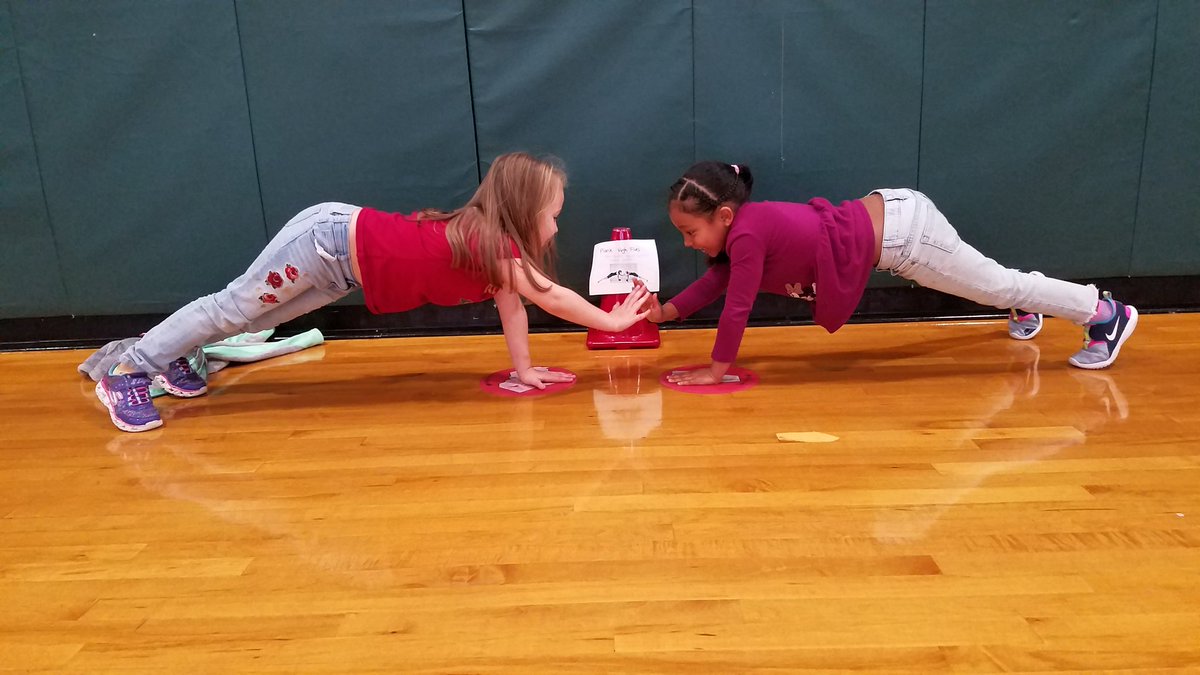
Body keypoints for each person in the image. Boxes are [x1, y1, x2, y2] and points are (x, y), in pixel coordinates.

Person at [96, 152, 651, 432]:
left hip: (339, 268)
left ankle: (166, 360)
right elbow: (550, 295)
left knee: (240, 322)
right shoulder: (490, 243)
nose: (557, 226)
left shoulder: (495, 250)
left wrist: (525, 370)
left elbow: (518, 308)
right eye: (554, 215)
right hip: (325, 242)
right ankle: (129, 372)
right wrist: (612, 323)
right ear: (525, 212)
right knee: (232, 307)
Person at [643, 161, 1137, 385]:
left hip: (907, 238)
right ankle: (1025, 299)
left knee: (996, 283)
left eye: (691, 232)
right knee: (992, 282)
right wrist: (666, 312)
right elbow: (721, 278)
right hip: (894, 210)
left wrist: (717, 368)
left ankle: (1104, 312)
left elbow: (738, 304)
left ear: (724, 216)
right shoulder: (745, 229)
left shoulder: (747, 234)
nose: (688, 244)